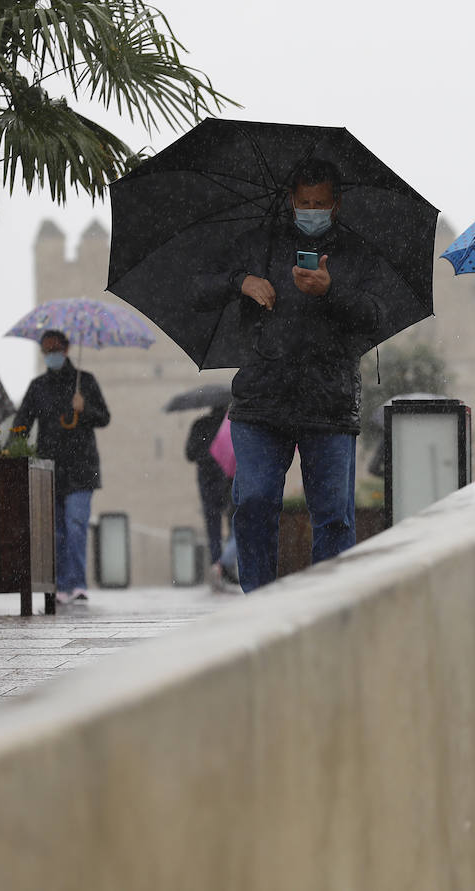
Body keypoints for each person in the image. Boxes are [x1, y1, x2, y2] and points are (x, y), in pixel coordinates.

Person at [199, 158, 383, 592]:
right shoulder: (258, 245)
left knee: (334, 514)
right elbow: (197, 290)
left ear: (336, 204)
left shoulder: (357, 254)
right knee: (255, 501)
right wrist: (240, 281)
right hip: (262, 401)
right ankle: (259, 602)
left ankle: (328, 607)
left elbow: (375, 315)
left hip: (330, 403)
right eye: (304, 202)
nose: (312, 210)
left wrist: (330, 291)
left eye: (320, 203)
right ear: (291, 200)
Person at [10, 329, 111, 604]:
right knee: (56, 531)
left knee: (76, 524)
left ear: (66, 349)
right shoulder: (38, 387)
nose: (50, 354)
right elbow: (22, 423)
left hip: (81, 469)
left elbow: (104, 417)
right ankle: (61, 585)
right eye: (46, 350)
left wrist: (84, 408)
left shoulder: (85, 382)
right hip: (50, 469)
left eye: (55, 348)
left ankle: (77, 584)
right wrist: (10, 451)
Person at [185, 405, 233, 590]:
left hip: (206, 480)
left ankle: (216, 564)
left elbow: (189, 454)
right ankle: (227, 567)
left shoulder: (200, 424)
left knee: (213, 526)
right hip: (228, 477)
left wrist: (204, 456)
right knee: (232, 523)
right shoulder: (230, 423)